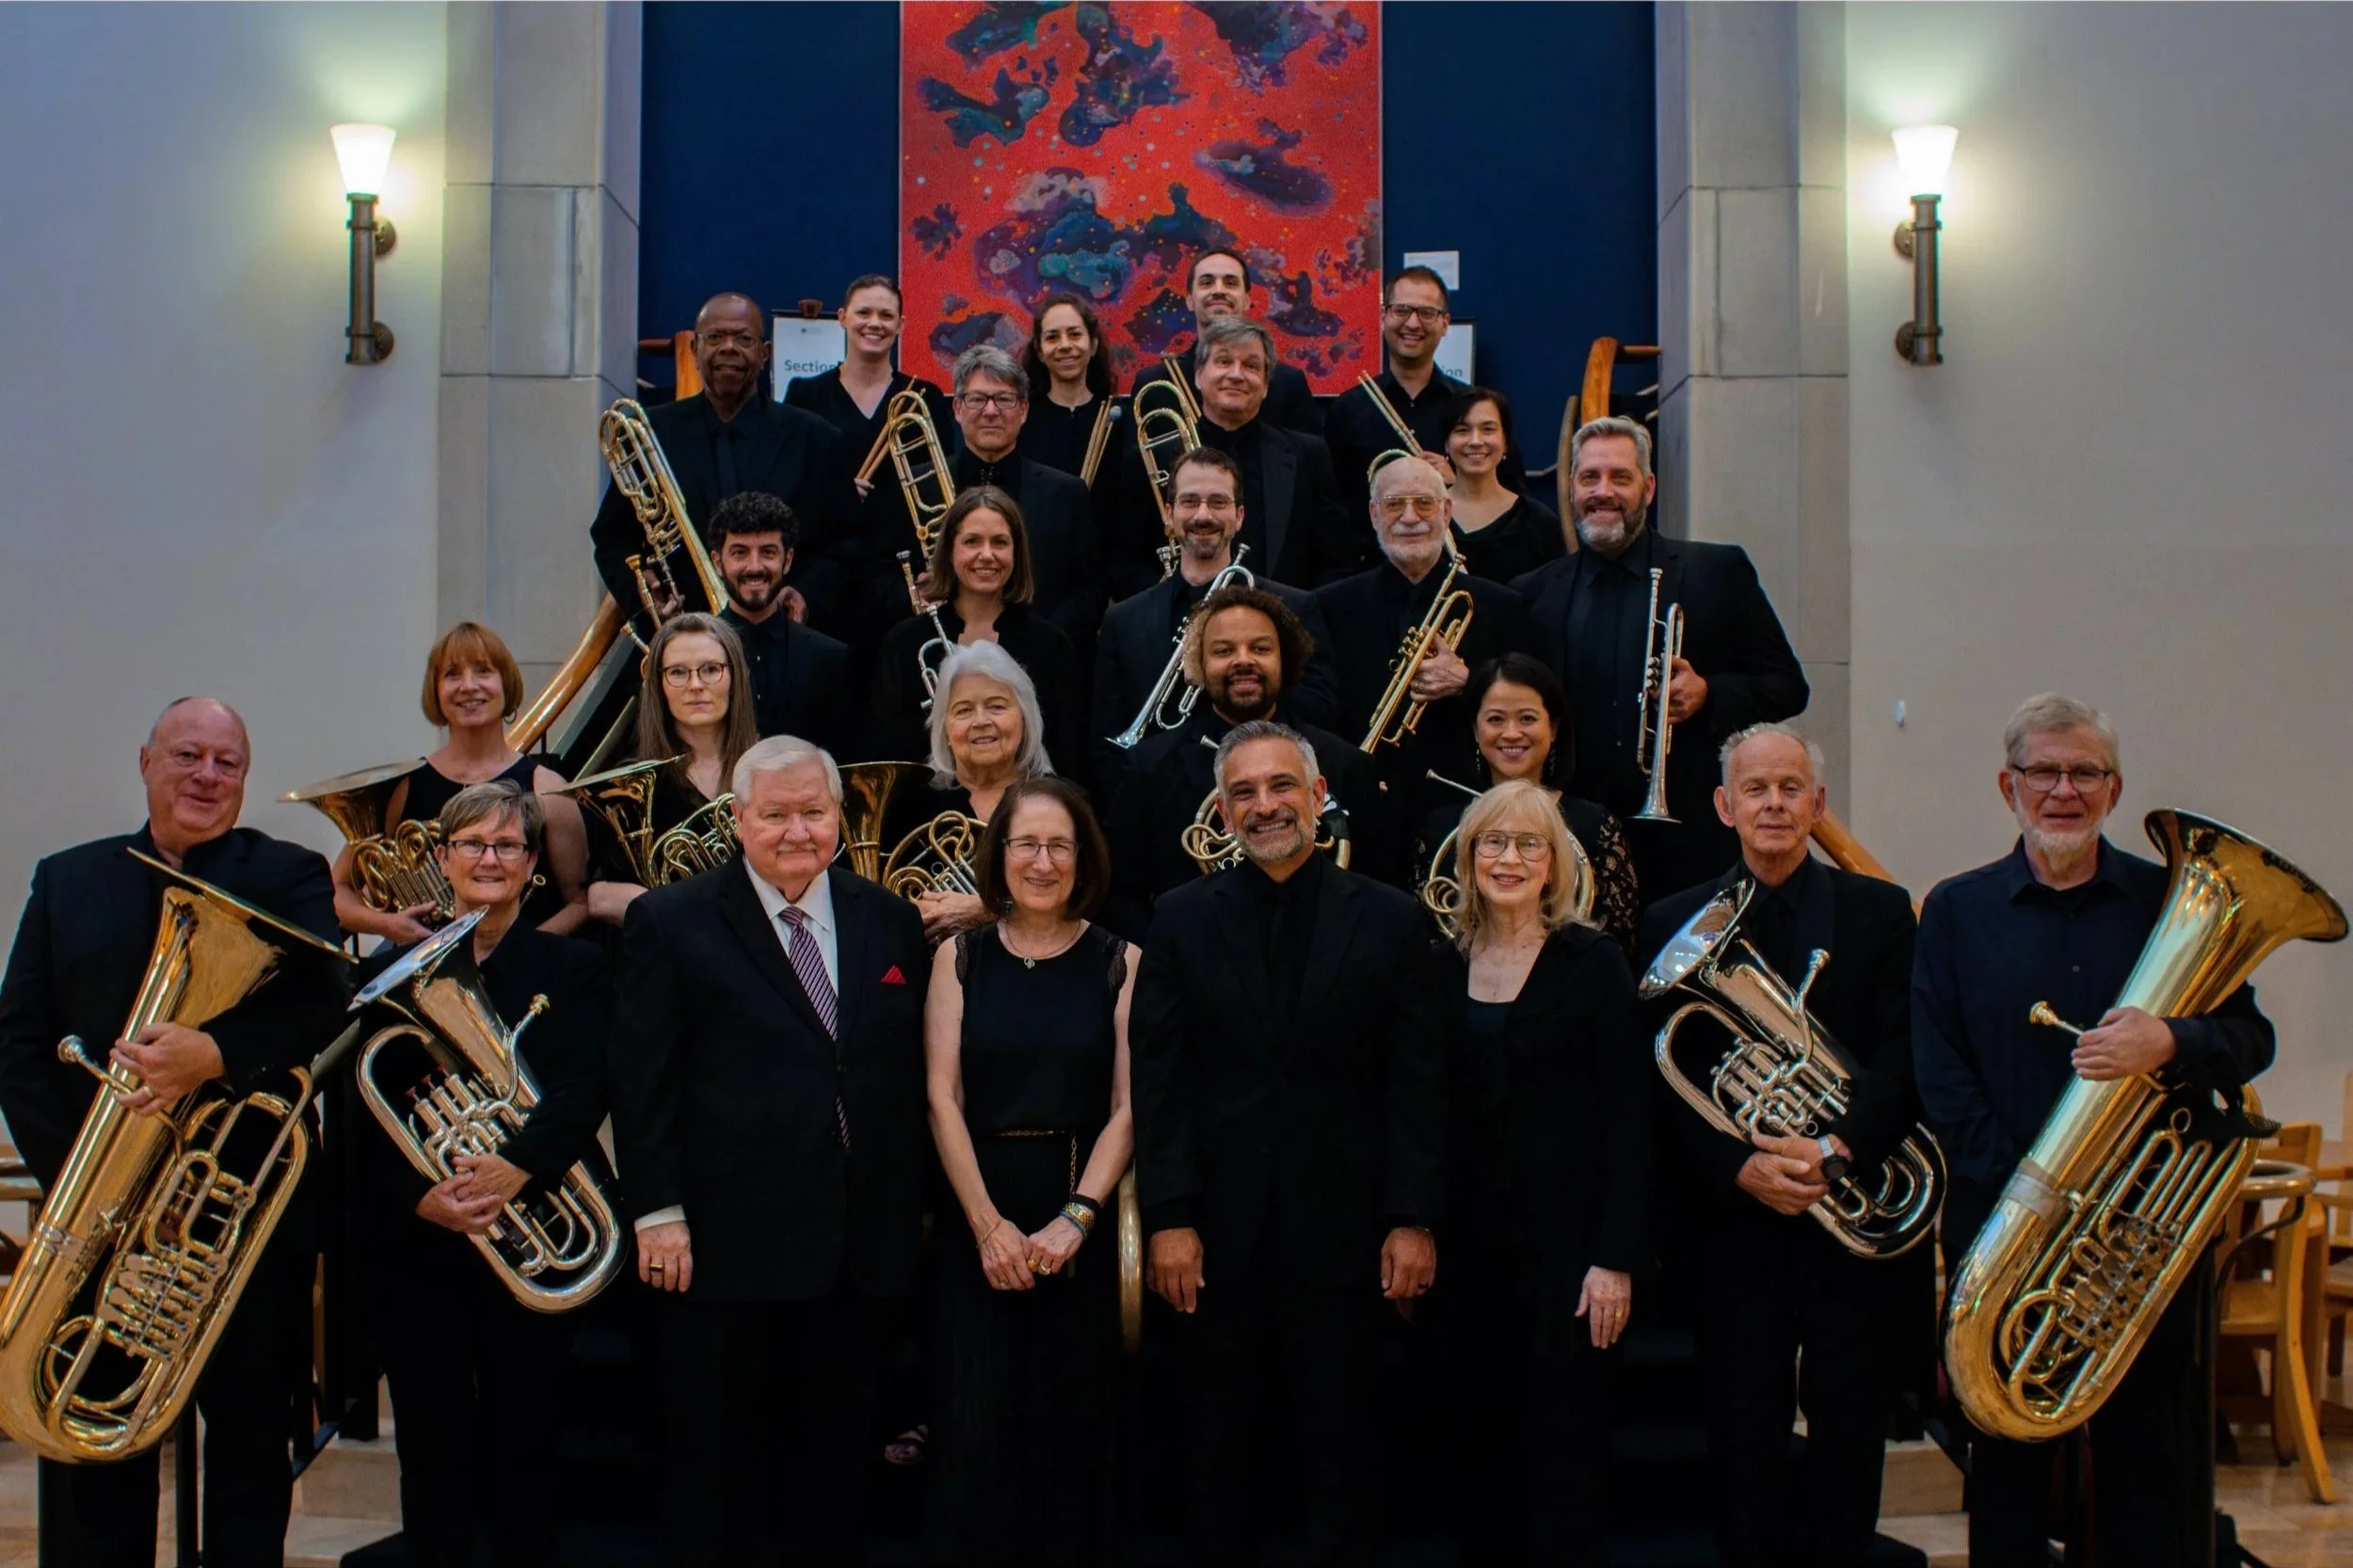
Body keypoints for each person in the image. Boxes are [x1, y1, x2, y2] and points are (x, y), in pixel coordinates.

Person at [1913, 694, 2275, 1568]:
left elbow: (2251, 1038)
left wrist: (2171, 1040)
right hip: (2005, 1230)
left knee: (2149, 1464)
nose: (2063, 790)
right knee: (2007, 1467)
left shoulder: (2169, 901)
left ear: (2114, 788)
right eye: (2044, 770)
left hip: (2140, 1240)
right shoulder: (1957, 910)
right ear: (2009, 785)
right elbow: (1940, 1075)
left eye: (2084, 772)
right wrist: (2036, 1198)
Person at [0, 697, 348, 1568]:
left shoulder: (291, 873)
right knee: (100, 1446)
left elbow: (324, 1004)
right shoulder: (68, 880)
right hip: (105, 1222)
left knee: (250, 1443)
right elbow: (20, 1043)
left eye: (227, 763)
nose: (206, 776)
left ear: (245, 778)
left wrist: (216, 1053)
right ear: (146, 762)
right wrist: (90, 1179)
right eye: (187, 755)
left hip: (239, 1221)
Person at [608, 735, 931, 1567]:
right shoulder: (669, 920)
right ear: (738, 820)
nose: (797, 831)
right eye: (776, 814)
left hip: (858, 1250)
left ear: (838, 816)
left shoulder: (889, 919)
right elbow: (642, 1081)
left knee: (834, 1475)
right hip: (724, 1250)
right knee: (722, 1476)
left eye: (813, 812)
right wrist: (657, 1210)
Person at [1129, 721, 1444, 1562]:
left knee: (1347, 1461)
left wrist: (1412, 1219)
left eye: (1280, 787)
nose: (1264, 805)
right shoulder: (1179, 918)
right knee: (1219, 1461)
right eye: (1244, 793)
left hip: (1350, 1239)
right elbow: (1161, 1083)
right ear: (1222, 811)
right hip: (1216, 1242)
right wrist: (1170, 1216)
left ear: (1318, 796)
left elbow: (1417, 1086)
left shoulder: (1391, 918)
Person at [1638, 724, 1929, 1568]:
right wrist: (1740, 1166)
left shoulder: (1880, 912)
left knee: (1849, 1430)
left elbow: (1908, 1055)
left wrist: (1837, 1148)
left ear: (1818, 804)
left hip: (1848, 1213)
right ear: (1724, 806)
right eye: (1755, 789)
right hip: (1734, 1226)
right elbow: (1658, 1081)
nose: (1773, 804)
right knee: (1740, 1435)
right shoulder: (1672, 922)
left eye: (1790, 788)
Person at [351, 782, 611, 1568]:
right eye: (471, 844)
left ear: (532, 865)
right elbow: (360, 1113)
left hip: (532, 1230)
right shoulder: (388, 973)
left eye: (506, 846)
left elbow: (589, 1084)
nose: (489, 859)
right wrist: (419, 1197)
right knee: (430, 1447)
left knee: (527, 1443)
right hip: (424, 1246)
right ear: (442, 860)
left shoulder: (575, 967)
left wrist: (517, 1164)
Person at [1427, 780, 1646, 1563]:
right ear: (1468, 858)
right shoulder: (1441, 965)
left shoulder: (1594, 963)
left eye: (1528, 844)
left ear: (1554, 864)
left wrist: (1615, 1258)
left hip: (1569, 1256)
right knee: (1475, 1449)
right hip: (1466, 1251)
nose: (1509, 858)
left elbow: (1630, 1121)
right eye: (1493, 842)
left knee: (1564, 1455)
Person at [923, 776, 1135, 1564]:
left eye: (1059, 846)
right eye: (1026, 844)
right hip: (976, 1206)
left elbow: (1129, 1108)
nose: (1042, 862)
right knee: (975, 1427)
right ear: (999, 855)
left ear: (1084, 859)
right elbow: (941, 1097)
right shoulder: (958, 958)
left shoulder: (1122, 960)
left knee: (1074, 1430)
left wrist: (1077, 1218)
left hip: (1079, 1208)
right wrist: (988, 1228)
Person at [1513, 416, 1809, 903]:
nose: (1603, 491)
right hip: (1572, 843)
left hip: (1690, 846)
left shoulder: (1717, 571)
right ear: (1571, 488)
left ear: (1648, 488)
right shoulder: (1533, 593)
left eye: (1620, 477)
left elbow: (1788, 687)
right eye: (1589, 477)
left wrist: (1709, 693)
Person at [1103, 584, 1378, 938]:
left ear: (1285, 659)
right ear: (1198, 664)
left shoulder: (1347, 766)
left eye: (1261, 648)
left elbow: (1375, 890)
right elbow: (1122, 899)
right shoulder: (1149, 768)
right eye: (1223, 650)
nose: (1243, 660)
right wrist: (1178, 953)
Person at [590, 290, 857, 632]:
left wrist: (806, 595)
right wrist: (646, 596)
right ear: (694, 349)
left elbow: (848, 546)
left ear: (765, 354)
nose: (729, 348)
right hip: (683, 638)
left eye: (744, 339)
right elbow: (613, 540)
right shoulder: (650, 434)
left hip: (785, 640)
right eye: (715, 337)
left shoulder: (817, 439)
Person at [1090, 444, 1341, 779]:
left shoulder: (1295, 606)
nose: (1203, 515)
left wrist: (1236, 686)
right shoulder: (1124, 621)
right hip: (1162, 793)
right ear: (1169, 514)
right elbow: (1105, 741)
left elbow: (1320, 710)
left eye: (1218, 502)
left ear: (1239, 517)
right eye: (1189, 502)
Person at [328, 620, 589, 942]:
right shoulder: (400, 788)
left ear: (505, 684)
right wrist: (387, 924)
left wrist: (517, 951)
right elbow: (337, 889)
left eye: (483, 671)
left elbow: (579, 902)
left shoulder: (548, 790)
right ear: (435, 692)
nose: (468, 686)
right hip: (423, 964)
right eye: (452, 674)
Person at [1314, 456, 1531, 811]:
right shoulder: (1329, 606)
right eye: (1394, 504)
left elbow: (1531, 705)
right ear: (1374, 515)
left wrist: (1469, 681)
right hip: (1364, 800)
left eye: (1424, 504)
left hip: (1467, 798)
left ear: (1446, 512)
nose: (1410, 517)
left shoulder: (1504, 606)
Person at [782, 274, 954, 677]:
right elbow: (788, 487)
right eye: (864, 313)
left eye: (886, 315)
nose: (874, 323)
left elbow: (941, 490)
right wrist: (834, 493)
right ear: (842, 318)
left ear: (901, 325)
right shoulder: (805, 395)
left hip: (902, 579)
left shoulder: (923, 396)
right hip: (825, 579)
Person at [1113, 314, 1355, 595]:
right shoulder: (1152, 459)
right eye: (1224, 362)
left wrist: (1300, 613)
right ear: (1199, 376)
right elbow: (1125, 565)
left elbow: (1337, 561)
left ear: (1266, 385)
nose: (1236, 375)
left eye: (1251, 366)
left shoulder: (1309, 456)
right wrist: (1174, 608)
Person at [1417, 653, 1640, 952]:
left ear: (1554, 728)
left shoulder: (1595, 826)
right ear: (1476, 730)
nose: (1511, 733)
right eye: (1495, 719)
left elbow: (1617, 945)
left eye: (1527, 718)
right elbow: (1426, 942)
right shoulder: (1439, 828)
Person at [868, 487, 1085, 775]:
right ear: (949, 551)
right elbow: (888, 751)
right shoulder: (905, 642)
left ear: (1016, 553)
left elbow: (1068, 757)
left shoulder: (1051, 645)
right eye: (971, 542)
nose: (986, 555)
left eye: (999, 542)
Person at [582, 613, 757, 925]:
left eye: (711, 669)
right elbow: (599, 897)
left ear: (735, 678)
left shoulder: (770, 769)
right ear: (659, 685)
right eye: (677, 672)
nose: (695, 685)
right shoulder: (629, 785)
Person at [884, 641, 1060, 946]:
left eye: (996, 706)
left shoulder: (1062, 803)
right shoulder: (910, 805)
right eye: (964, 710)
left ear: (1024, 718)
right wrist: (913, 914)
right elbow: (886, 908)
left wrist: (987, 911)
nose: (981, 721)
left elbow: (1084, 901)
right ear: (944, 728)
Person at [945, 344, 1104, 653]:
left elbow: (1090, 592)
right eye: (977, 399)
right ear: (957, 409)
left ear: (1024, 410)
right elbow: (883, 576)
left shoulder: (1068, 493)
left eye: (1004, 399)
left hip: (1040, 663)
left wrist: (1040, 643)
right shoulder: (919, 484)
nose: (991, 411)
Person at [707, 490, 856, 752]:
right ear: (718, 563)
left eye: (768, 552)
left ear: (787, 560)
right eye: (740, 553)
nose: (754, 567)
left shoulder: (829, 656)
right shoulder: (694, 654)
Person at [1324, 265, 1471, 520]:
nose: (1412, 323)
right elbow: (1329, 505)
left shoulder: (1470, 407)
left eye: (1427, 313)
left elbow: (1503, 498)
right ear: (1383, 317)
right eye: (1401, 310)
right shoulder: (1347, 410)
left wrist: (1459, 486)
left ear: (1445, 324)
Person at [1130, 247, 1322, 436]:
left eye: (1230, 283)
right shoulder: (1155, 384)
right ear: (1190, 300)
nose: (1219, 290)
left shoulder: (1289, 383)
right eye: (1206, 283)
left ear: (1247, 300)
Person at [1016, 290, 1126, 520]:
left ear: (1093, 345)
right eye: (1052, 337)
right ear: (1039, 351)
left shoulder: (1120, 418)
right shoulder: (1021, 420)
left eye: (1075, 334)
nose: (1065, 345)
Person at [1440, 388, 1563, 583]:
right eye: (1462, 430)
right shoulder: (1425, 515)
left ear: (1505, 442)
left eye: (1488, 429)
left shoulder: (1540, 524)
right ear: (1447, 444)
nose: (1475, 441)